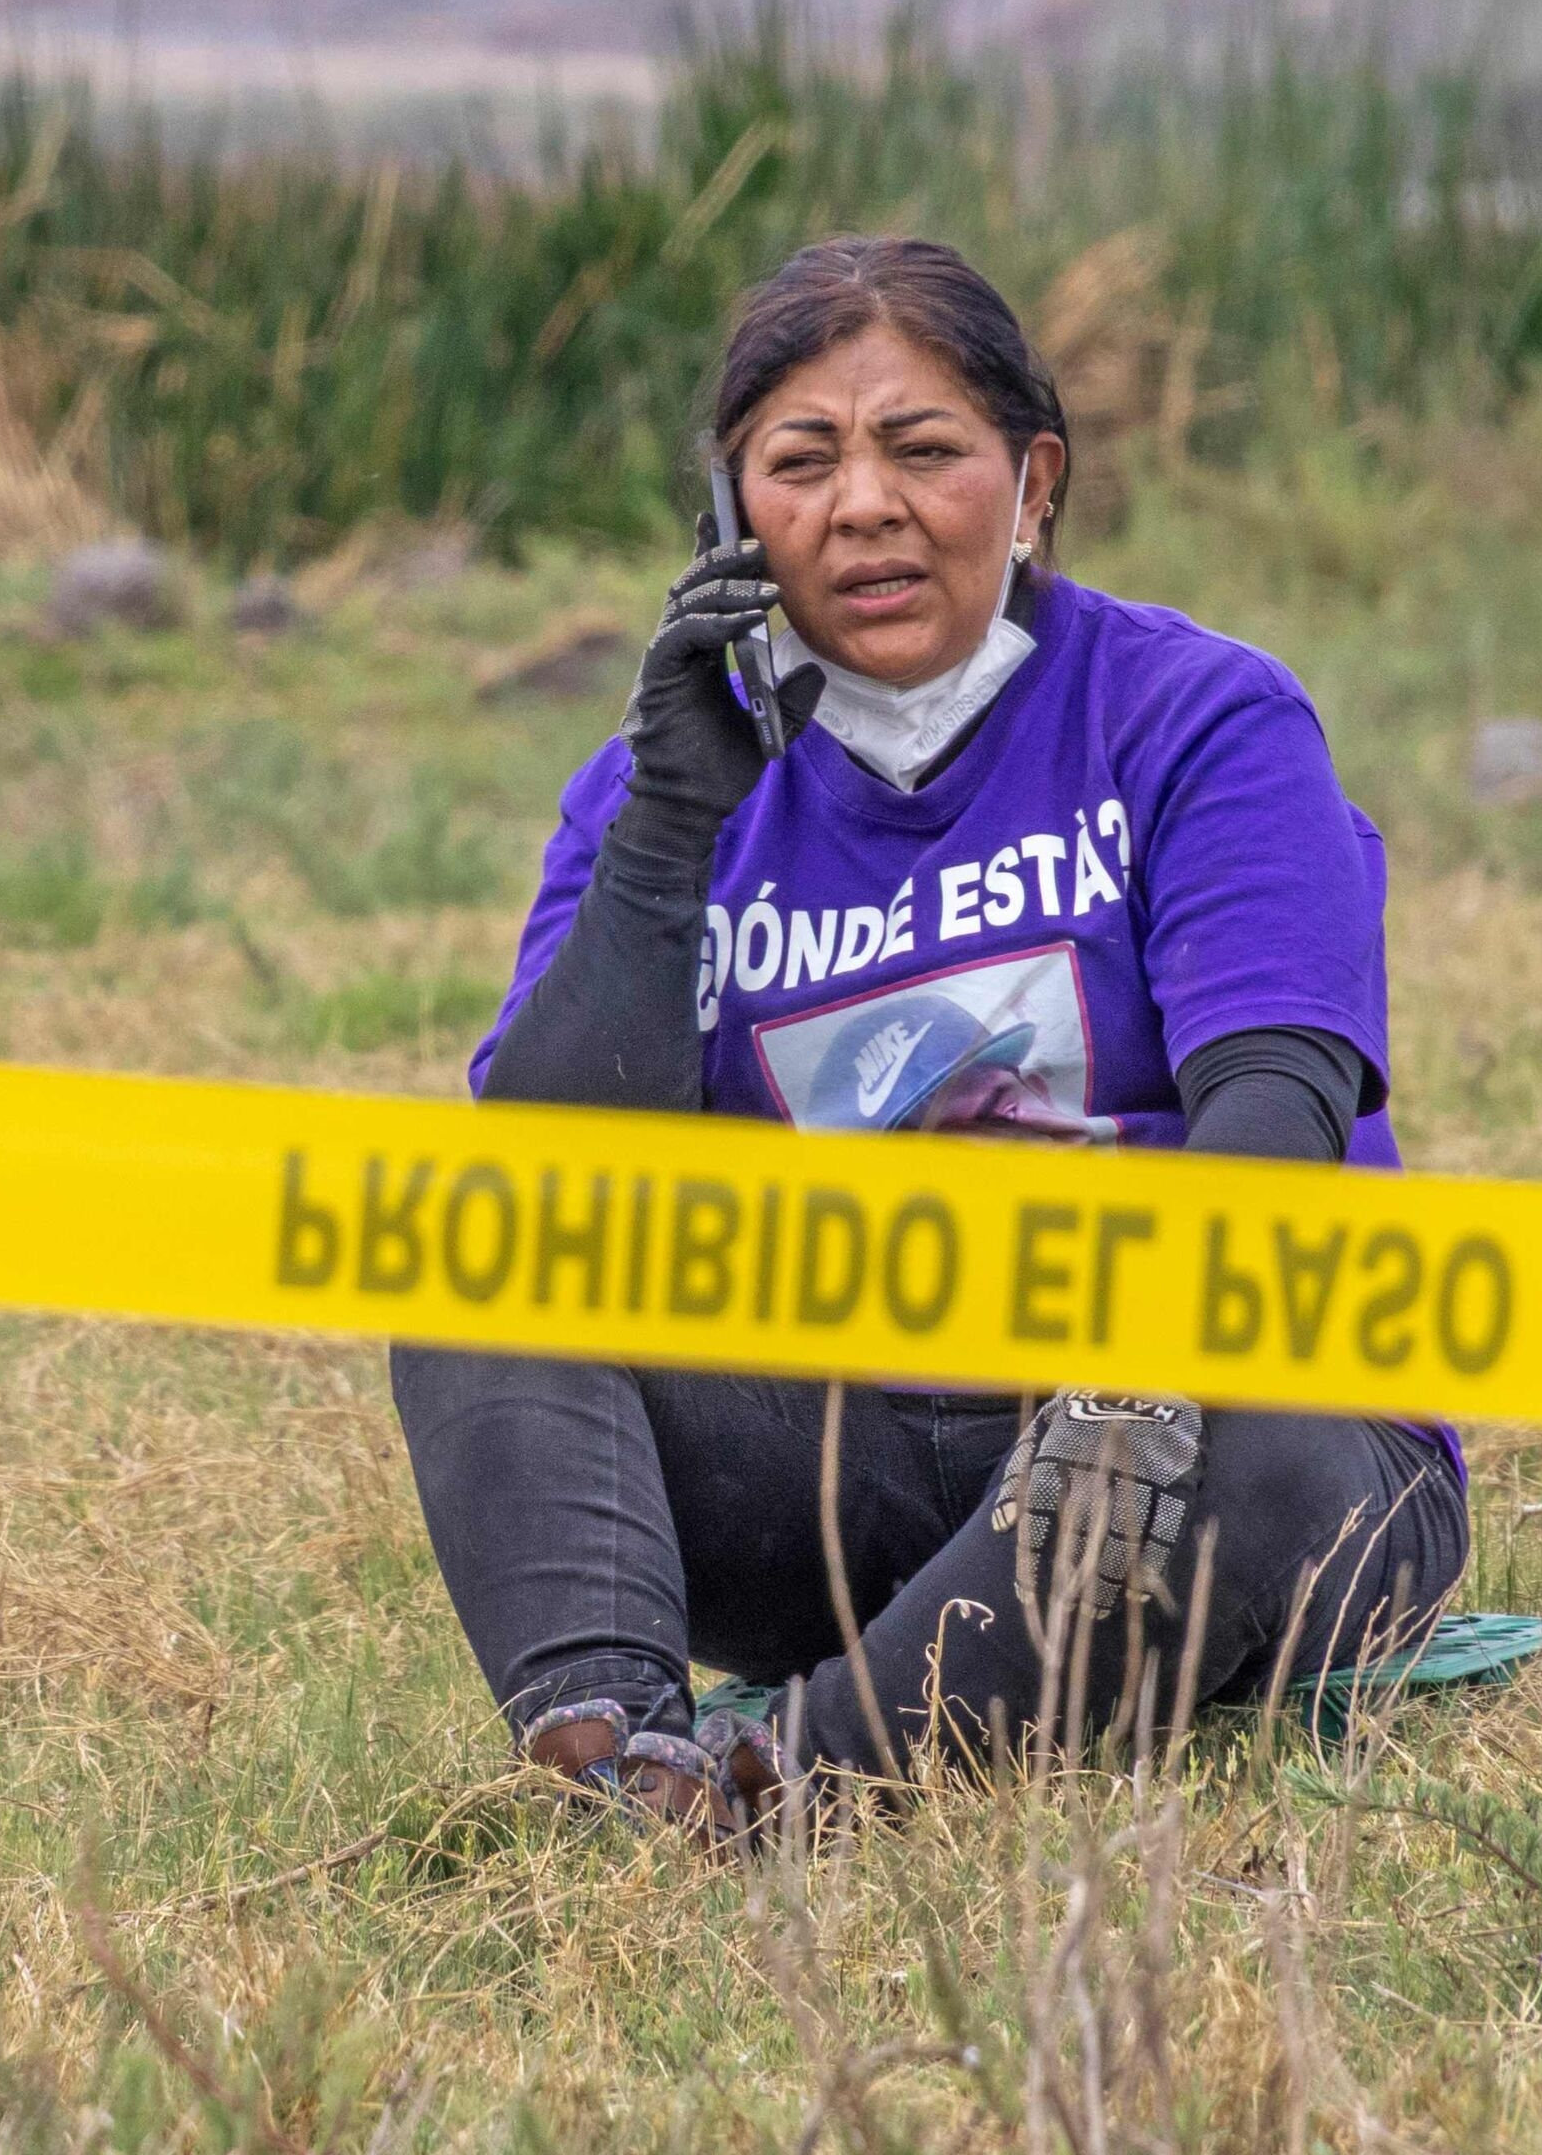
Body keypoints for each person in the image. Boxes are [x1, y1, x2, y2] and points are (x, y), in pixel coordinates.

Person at [394, 233, 1466, 1838]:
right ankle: (618, 1765)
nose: (864, 506)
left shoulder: (1198, 716)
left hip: (1206, 1422)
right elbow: (546, 1175)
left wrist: (1145, 1363)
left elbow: (1281, 1101)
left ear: (1034, 483)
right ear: (729, 515)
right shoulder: (652, 790)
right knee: (469, 1260)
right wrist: (676, 814)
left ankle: (797, 1781)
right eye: (800, 464)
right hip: (852, 1450)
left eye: (923, 450)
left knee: (1248, 1446)